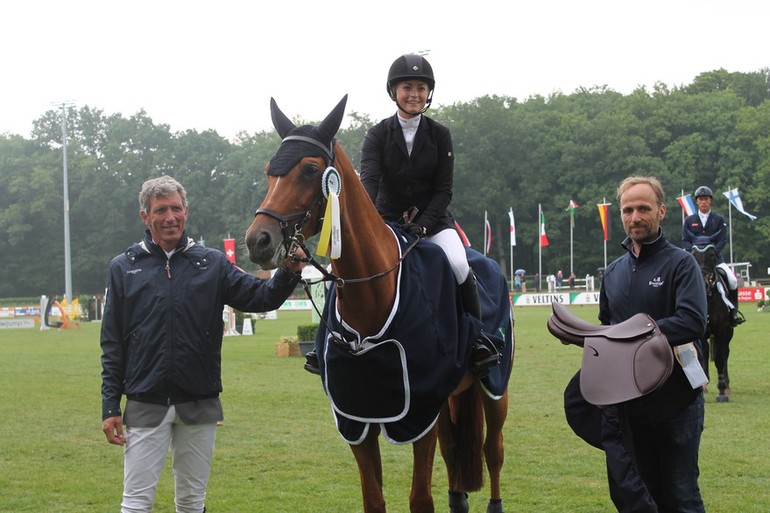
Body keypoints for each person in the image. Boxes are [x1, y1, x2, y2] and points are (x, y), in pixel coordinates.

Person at [100, 175, 305, 513]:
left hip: (199, 399)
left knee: (192, 503)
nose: (170, 217)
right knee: (136, 502)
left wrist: (288, 271)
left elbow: (262, 296)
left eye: (176, 209)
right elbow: (112, 343)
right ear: (145, 216)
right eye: (161, 210)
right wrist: (110, 407)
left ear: (186, 211)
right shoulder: (124, 267)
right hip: (145, 399)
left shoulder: (211, 263)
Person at [359, 53, 499, 376]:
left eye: (421, 88)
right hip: (388, 224)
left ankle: (477, 339)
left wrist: (422, 226)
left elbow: (443, 191)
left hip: (433, 222)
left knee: (459, 263)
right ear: (394, 91)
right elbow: (369, 183)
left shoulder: (440, 135)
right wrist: (367, 224)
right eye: (407, 87)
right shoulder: (377, 135)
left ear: (428, 93)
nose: (414, 94)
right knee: (349, 264)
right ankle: (335, 339)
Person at [579, 176, 708, 512]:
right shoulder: (613, 272)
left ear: (662, 211)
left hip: (678, 399)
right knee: (642, 494)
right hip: (630, 402)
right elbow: (608, 329)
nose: (634, 216)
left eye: (643, 208)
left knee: (682, 496)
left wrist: (630, 335)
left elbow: (692, 321)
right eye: (627, 209)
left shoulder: (682, 262)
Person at [682, 185, 745, 326]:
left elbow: (722, 239)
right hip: (695, 261)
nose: (703, 202)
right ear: (697, 202)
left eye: (706, 199)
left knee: (733, 281)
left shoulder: (718, 219)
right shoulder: (689, 220)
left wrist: (713, 252)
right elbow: (685, 240)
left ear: (710, 201)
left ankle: (733, 313)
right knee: (680, 280)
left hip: (714, 260)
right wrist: (693, 252)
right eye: (701, 199)